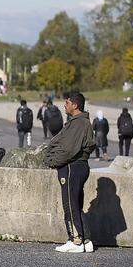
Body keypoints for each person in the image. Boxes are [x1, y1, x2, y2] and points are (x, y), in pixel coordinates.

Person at [44, 92, 95, 253]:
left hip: (72, 167)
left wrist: (51, 161)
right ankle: (86, 239)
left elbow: (67, 150)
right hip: (77, 166)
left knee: (70, 205)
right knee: (77, 204)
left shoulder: (79, 123)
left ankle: (76, 240)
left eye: (67, 102)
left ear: (75, 105)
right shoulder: (78, 122)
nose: (64, 105)